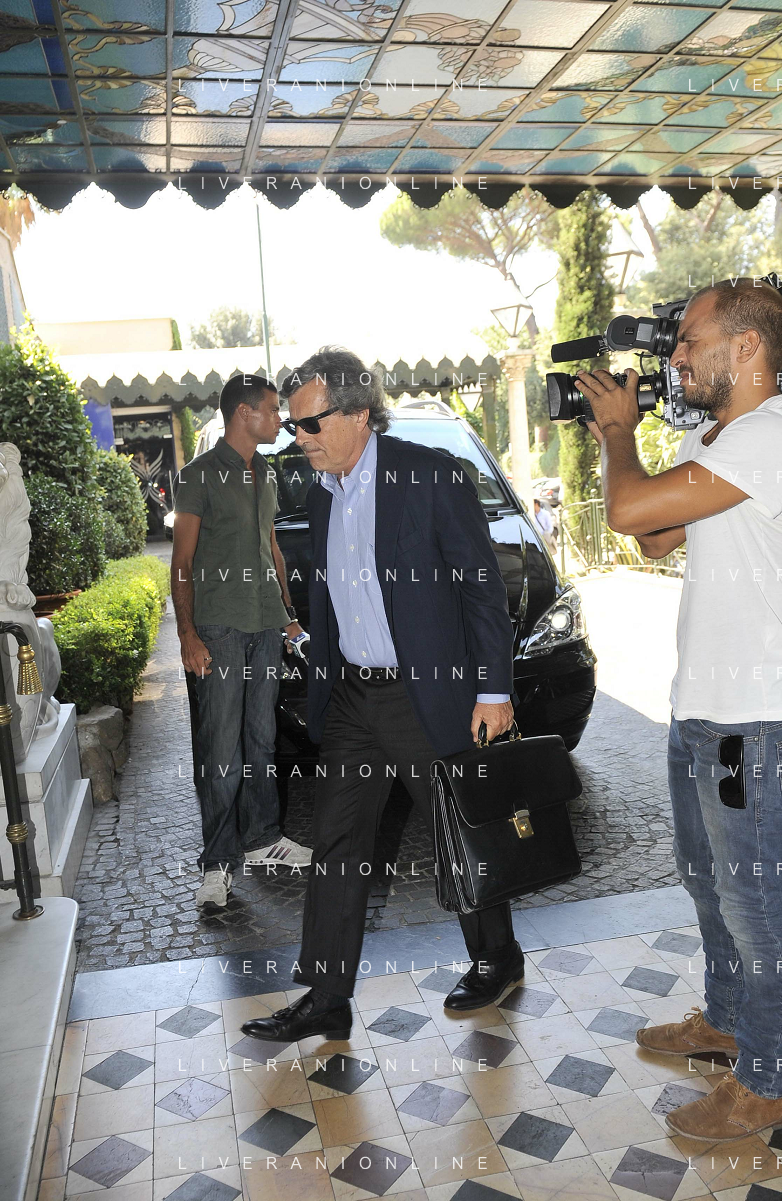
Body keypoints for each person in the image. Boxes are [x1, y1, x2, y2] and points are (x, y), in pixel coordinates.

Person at [241, 346, 523, 1045]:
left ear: (359, 412)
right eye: (293, 426)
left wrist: (493, 690)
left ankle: (497, 956)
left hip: (425, 696)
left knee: (459, 832)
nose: (298, 438)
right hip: (353, 699)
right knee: (337, 842)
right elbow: (334, 596)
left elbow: (481, 589)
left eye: (310, 423)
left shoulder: (429, 476)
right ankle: (326, 996)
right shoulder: (321, 493)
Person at [576, 278, 782, 1142]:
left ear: (747, 346)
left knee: (757, 907)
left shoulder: (769, 434)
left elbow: (629, 507)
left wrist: (623, 434)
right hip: (702, 709)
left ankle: (767, 1080)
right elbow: (653, 532)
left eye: (690, 339)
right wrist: (613, 440)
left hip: (753, 717)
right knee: (707, 883)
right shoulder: (720, 437)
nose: (675, 356)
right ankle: (728, 1023)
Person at [171, 374, 312, 914]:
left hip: (264, 626)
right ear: (243, 414)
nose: (281, 420)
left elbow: (271, 548)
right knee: (221, 751)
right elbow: (181, 562)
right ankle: (216, 862)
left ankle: (262, 838)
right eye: (273, 410)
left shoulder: (266, 474)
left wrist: (289, 617)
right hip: (219, 630)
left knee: (261, 740)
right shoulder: (198, 476)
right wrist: (187, 634)